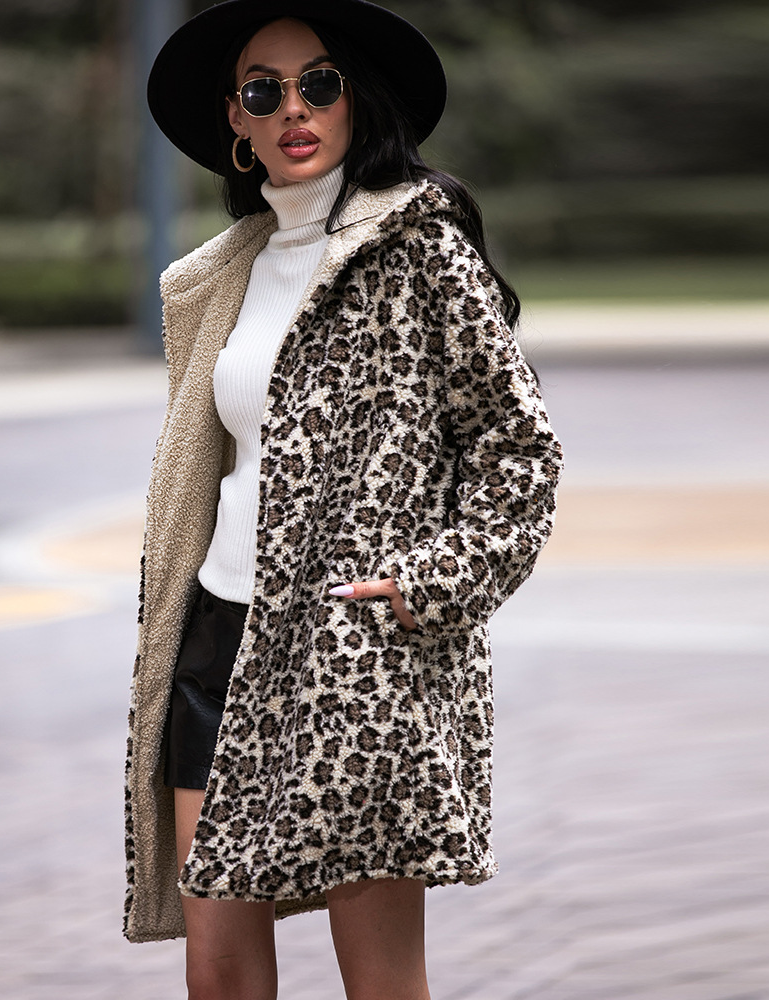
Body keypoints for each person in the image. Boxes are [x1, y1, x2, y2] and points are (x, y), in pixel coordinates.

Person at [125, 2, 563, 997]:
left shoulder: (419, 251)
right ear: (234, 119)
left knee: (380, 979)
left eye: (318, 83)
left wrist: (430, 582)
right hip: (217, 637)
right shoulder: (218, 279)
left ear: (356, 98)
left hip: (357, 646)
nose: (294, 107)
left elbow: (519, 449)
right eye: (263, 90)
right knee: (217, 968)